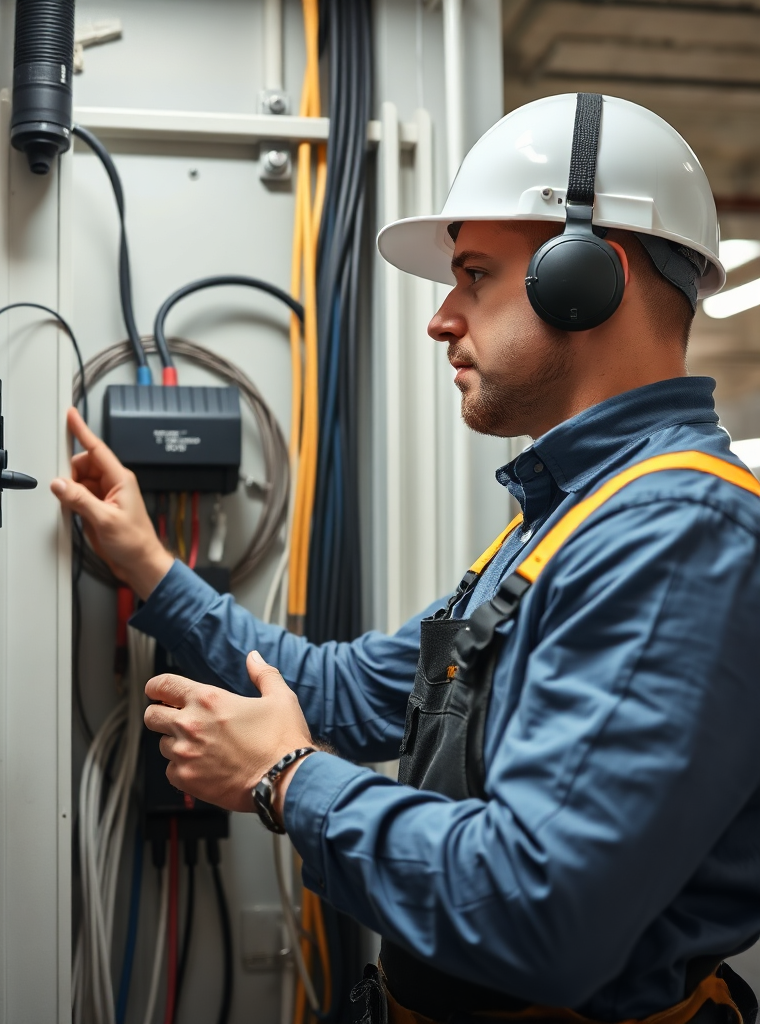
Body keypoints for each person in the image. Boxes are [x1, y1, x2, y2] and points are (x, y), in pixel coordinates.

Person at [49, 93, 760, 1024]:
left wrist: (288, 779)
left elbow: (537, 912)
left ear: (586, 276)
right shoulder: (574, 518)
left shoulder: (677, 537)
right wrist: (152, 567)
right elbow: (350, 693)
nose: (442, 318)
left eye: (473, 275)